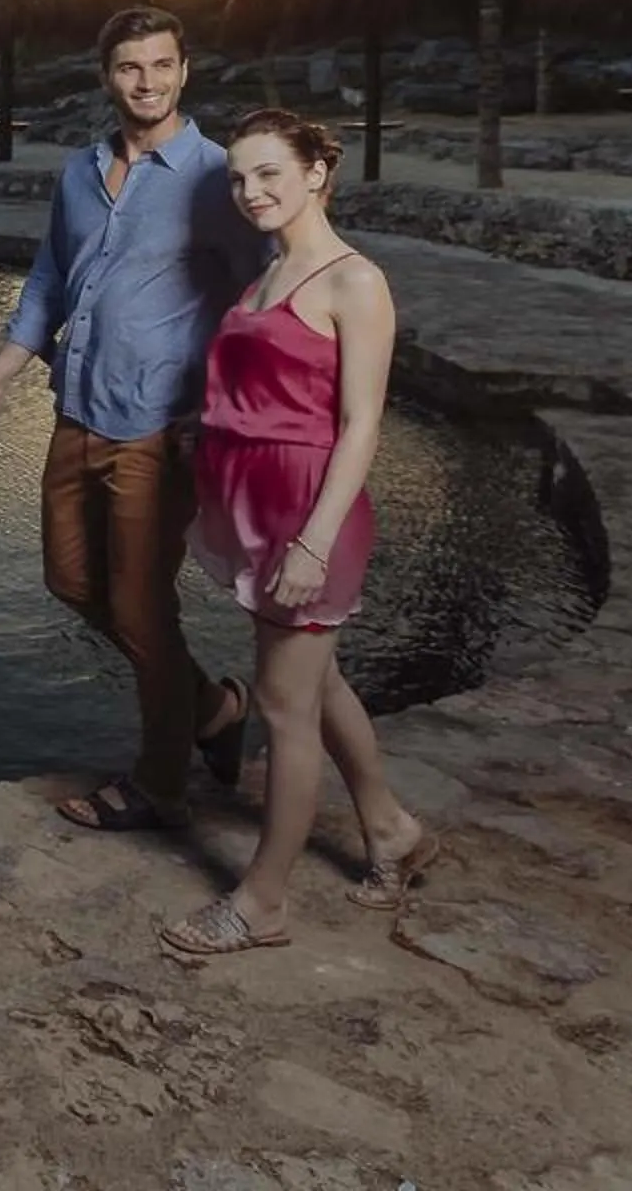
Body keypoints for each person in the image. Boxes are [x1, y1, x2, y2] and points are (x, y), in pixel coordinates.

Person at [0, 6, 265, 832]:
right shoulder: (78, 174)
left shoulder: (216, 178)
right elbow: (47, 284)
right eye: (130, 68)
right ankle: (212, 708)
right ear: (107, 78)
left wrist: (222, 411)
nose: (147, 82)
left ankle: (160, 782)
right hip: (76, 409)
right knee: (70, 579)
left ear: (185, 69)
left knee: (140, 606)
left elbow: (256, 302)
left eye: (161, 65)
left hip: (159, 429)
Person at [158, 108, 439, 955]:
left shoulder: (355, 281)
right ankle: (390, 830)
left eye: (270, 172)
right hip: (254, 502)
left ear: (319, 171)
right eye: (239, 177)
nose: (251, 191)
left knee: (283, 706)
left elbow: (359, 427)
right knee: (317, 684)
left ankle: (264, 900)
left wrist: (313, 543)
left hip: (309, 512)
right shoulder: (268, 274)